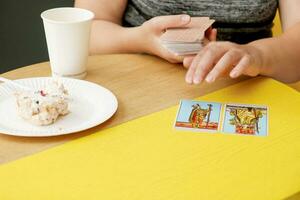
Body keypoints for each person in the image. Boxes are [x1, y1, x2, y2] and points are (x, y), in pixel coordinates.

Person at [75, 0, 300, 84]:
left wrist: (255, 55)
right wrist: (141, 40)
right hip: (137, 94)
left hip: (249, 95)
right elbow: (87, 31)